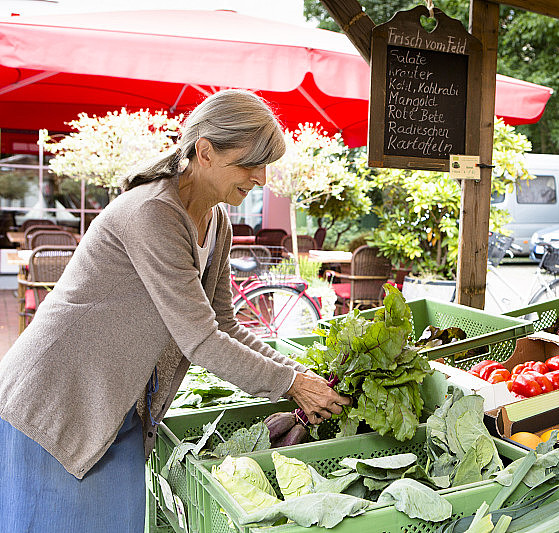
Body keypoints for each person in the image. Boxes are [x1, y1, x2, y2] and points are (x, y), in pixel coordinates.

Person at [0, 89, 350, 532]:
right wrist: (293, 384)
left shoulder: (216, 221)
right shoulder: (153, 213)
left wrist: (302, 376)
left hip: (116, 403)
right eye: (250, 164)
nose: (261, 179)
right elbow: (200, 340)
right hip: (58, 401)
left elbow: (224, 324)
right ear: (205, 152)